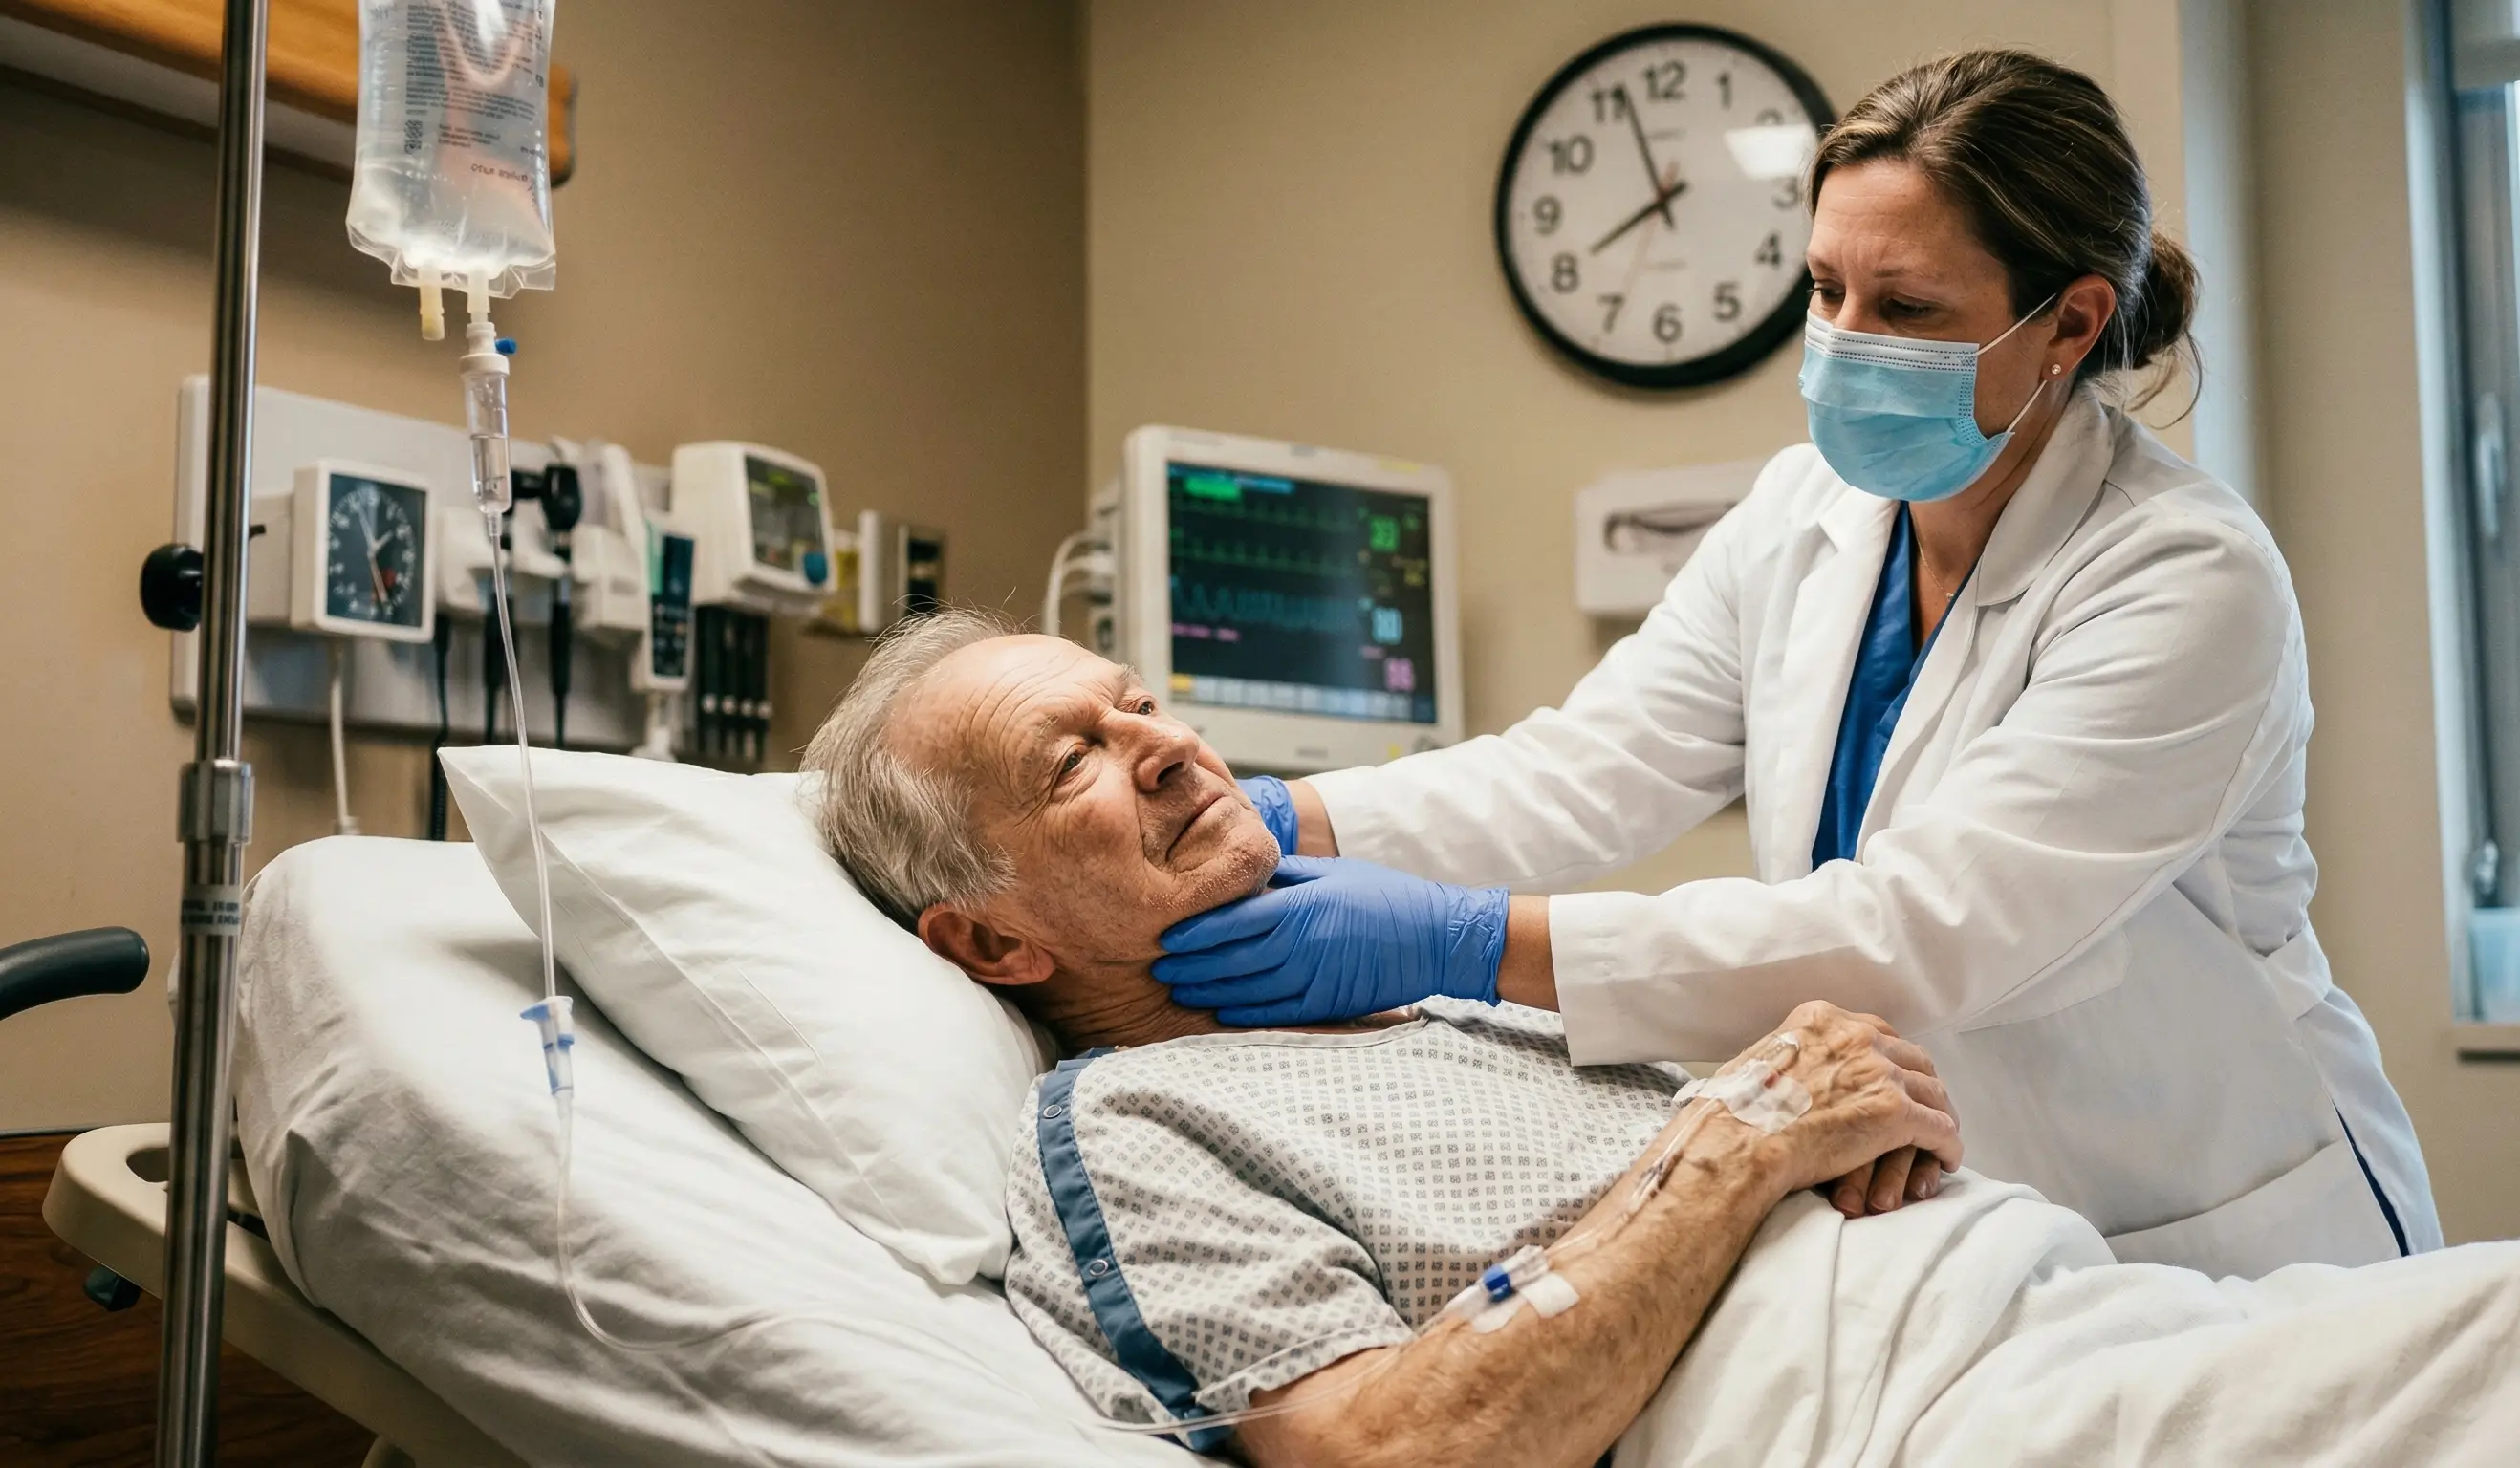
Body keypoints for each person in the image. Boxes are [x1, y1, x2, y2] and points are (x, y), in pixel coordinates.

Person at [1150, 47, 2438, 1280]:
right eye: (1824, 290)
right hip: (1964, 1221)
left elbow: (1921, 932)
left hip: (2217, 1220)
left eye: (1908, 306)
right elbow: (1591, 770)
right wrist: (1271, 817)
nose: (1843, 338)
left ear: (2070, 323)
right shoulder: (1800, 513)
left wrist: (1462, 941)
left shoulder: (2184, 578)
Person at [801, 615, 2520, 1468]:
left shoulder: (1418, 1000)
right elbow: (1399, 1453)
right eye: (1072, 764)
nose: (1165, 748)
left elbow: (1893, 993)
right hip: (1913, 1423)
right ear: (992, 938)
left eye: (1144, 705)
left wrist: (1858, 1095)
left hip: (2070, 1309)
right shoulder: (1128, 1129)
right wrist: (1743, 1147)